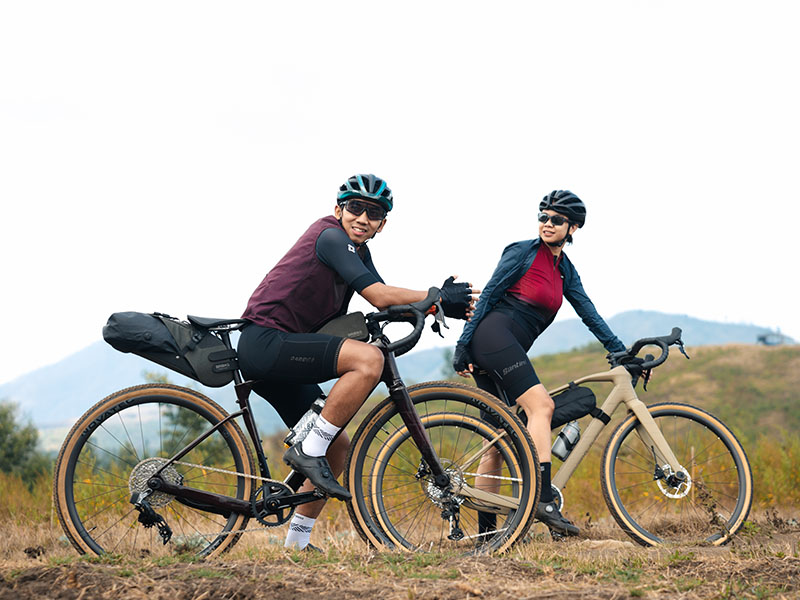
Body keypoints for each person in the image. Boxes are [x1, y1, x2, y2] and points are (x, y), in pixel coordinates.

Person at [238, 174, 477, 551]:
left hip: (284, 353)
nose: (363, 217)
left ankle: (297, 544)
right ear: (338, 209)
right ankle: (307, 451)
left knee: (338, 448)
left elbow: (386, 300)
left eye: (374, 212)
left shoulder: (357, 252)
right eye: (355, 208)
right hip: (267, 343)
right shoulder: (330, 236)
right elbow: (380, 296)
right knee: (369, 360)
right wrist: (436, 295)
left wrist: (433, 304)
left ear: (383, 223)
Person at [452, 190, 626, 537]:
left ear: (573, 228)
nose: (547, 224)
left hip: (505, 344)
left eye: (556, 220)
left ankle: (488, 533)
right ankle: (543, 499)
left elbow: (587, 312)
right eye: (543, 217)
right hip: (494, 336)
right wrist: (463, 344)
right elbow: (488, 294)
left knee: (498, 437)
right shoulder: (522, 252)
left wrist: (619, 349)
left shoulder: (565, 271)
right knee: (542, 406)